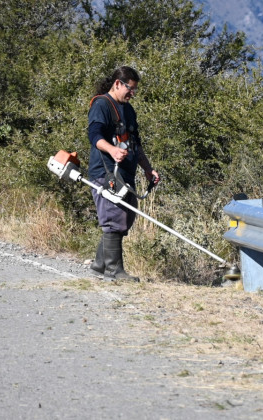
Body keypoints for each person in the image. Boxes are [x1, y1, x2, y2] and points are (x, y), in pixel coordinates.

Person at [87, 66, 160, 281]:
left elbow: (135, 143)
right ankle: (114, 270)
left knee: (125, 216)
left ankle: (100, 264)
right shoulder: (101, 104)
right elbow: (94, 135)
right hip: (106, 172)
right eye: (130, 88)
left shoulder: (128, 110)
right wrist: (112, 150)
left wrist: (147, 169)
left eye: (135, 90)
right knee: (113, 216)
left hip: (126, 173)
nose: (132, 94)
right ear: (117, 83)